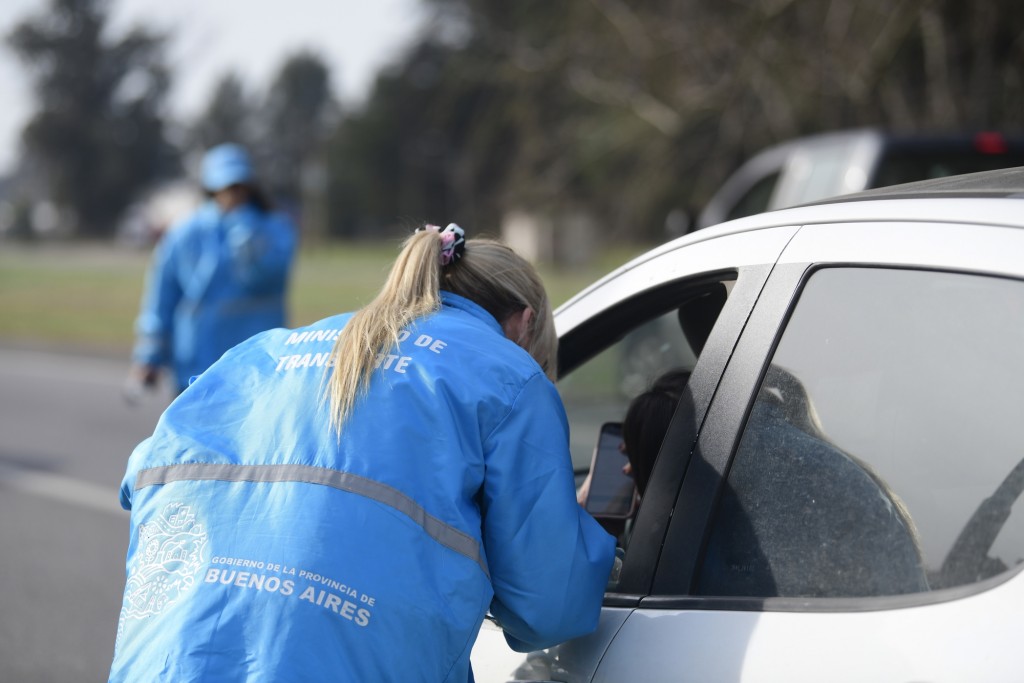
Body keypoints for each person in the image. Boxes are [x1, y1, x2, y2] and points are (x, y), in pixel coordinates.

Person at [108, 224, 617, 682]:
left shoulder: (267, 349)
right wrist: (572, 530)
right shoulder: (510, 375)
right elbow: (548, 610)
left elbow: (145, 476)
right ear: (523, 325)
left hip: (164, 661)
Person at [129, 142, 296, 395]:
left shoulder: (275, 229)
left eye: (238, 186)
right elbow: (162, 296)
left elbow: (269, 277)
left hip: (259, 366)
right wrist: (149, 354)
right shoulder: (184, 234)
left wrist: (247, 241)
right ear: (210, 188)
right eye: (225, 187)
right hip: (195, 364)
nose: (233, 194)